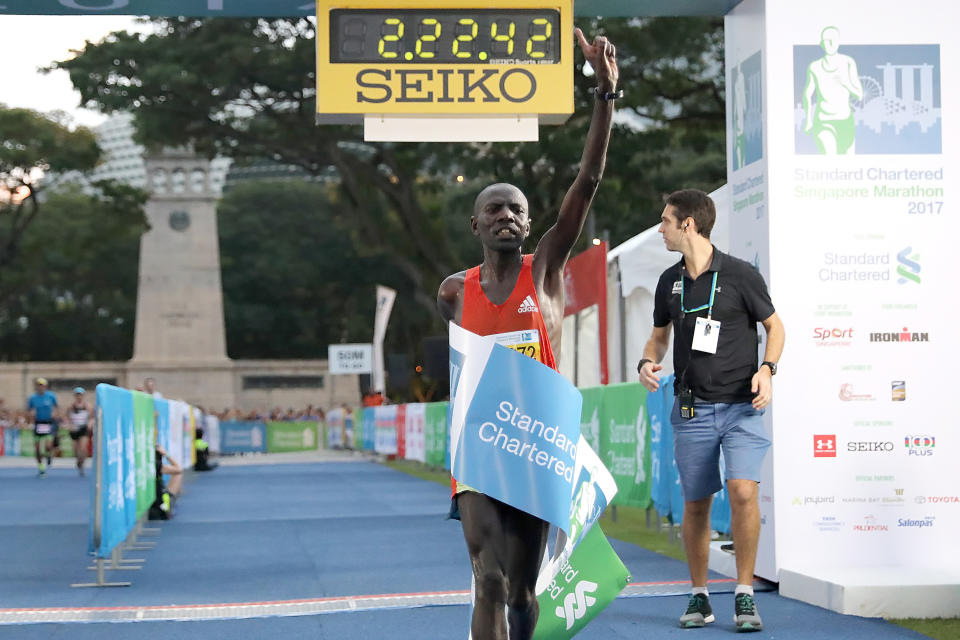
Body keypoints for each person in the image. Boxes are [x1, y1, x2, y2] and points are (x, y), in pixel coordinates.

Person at [436, 28, 618, 640]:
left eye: (516, 209)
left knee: (521, 595)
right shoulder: (453, 292)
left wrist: (603, 97)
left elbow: (586, 185)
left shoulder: (545, 274)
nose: (507, 216)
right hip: (481, 449)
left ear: (531, 223)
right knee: (485, 580)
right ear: (475, 224)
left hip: (537, 448)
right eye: (494, 209)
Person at [637, 189, 785, 632]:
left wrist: (768, 369)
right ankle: (699, 594)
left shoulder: (740, 274)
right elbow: (658, 337)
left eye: (665, 221)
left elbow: (775, 328)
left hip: (743, 405)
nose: (660, 228)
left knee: (742, 491)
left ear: (688, 225)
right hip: (692, 407)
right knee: (696, 503)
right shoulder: (669, 281)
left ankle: (743, 595)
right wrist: (646, 361)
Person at [802, 26, 863, 155]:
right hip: (824, 121)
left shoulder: (848, 62)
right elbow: (807, 94)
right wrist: (808, 120)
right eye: (825, 40)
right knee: (831, 159)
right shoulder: (815, 67)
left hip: (845, 121)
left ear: (838, 41)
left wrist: (846, 83)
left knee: (849, 166)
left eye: (832, 40)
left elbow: (859, 95)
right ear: (821, 43)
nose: (829, 44)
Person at [27, 377, 61, 477]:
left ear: (45, 386)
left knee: (48, 445)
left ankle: (49, 455)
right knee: (37, 448)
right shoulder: (33, 398)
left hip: (49, 423)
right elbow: (29, 410)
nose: (40, 387)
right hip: (38, 423)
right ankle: (41, 467)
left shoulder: (51, 396)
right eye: (39, 385)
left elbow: (57, 408)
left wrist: (56, 415)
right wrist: (30, 418)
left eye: (42, 385)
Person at [66, 387, 94, 476]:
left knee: (83, 448)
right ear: (75, 396)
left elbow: (92, 418)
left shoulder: (87, 406)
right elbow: (67, 417)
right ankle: (78, 461)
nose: (79, 397)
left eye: (80, 395)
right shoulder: (71, 406)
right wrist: (69, 426)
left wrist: (90, 424)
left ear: (83, 396)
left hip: (83, 429)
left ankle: (82, 462)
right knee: (75, 449)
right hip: (74, 429)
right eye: (77, 395)